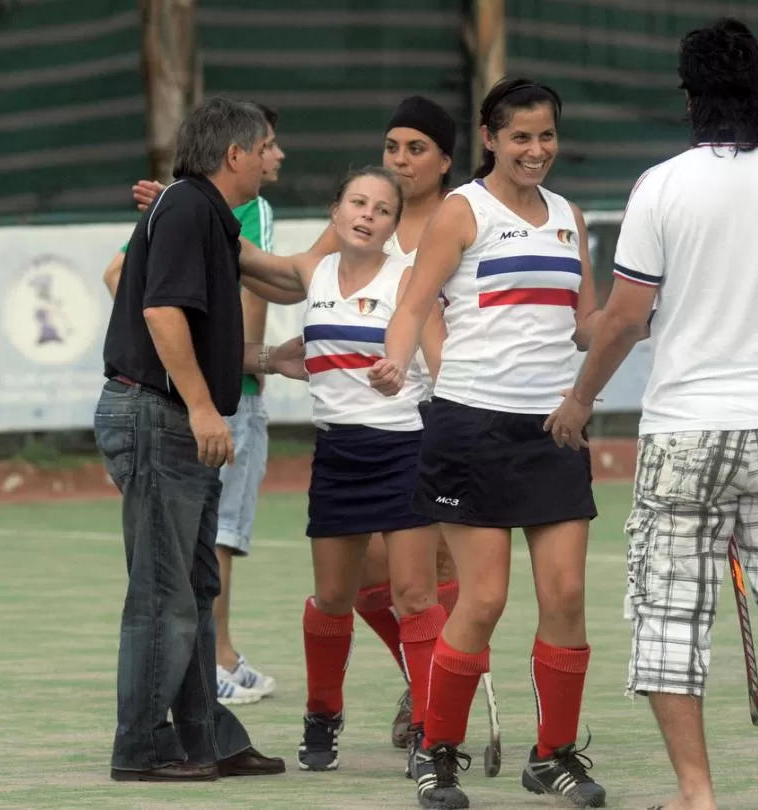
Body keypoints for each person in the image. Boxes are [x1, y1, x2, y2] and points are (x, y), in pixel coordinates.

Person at [545, 18, 758, 810]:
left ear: (690, 97)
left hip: (685, 428)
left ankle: (697, 795)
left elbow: (623, 318)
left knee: (670, 615)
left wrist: (581, 399)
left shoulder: (663, 187)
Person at [372, 77, 607, 809]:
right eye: (521, 137)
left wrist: (648, 312)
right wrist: (392, 357)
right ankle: (437, 751)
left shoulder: (569, 216)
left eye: (547, 136)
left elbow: (584, 324)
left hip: (554, 429)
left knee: (566, 593)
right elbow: (414, 303)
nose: (536, 150)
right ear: (490, 138)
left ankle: (553, 756)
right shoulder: (461, 211)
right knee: (484, 599)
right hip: (470, 425)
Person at [95, 96, 301, 782]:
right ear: (234, 154)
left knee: (194, 583)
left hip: (175, 419)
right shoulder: (188, 207)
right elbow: (159, 309)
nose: (276, 157)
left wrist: (361, 234)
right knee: (164, 592)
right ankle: (143, 746)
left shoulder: (201, 211)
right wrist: (204, 409)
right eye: (266, 146)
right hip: (161, 417)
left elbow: (290, 277)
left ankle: (204, 734)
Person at [237, 165, 448, 774]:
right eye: (358, 203)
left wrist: (400, 365)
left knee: (414, 596)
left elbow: (442, 362)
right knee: (335, 596)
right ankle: (322, 712)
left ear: (392, 225)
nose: (368, 215)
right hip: (338, 456)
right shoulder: (313, 272)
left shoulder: (410, 280)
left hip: (405, 451)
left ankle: (432, 730)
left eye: (383, 210)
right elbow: (246, 253)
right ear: (336, 211)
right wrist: (181, 200)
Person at [307, 95, 462, 749]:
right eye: (392, 147)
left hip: (442, 414)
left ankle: (435, 702)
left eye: (416, 149)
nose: (400, 161)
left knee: (436, 581)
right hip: (360, 428)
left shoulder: (464, 216)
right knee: (373, 576)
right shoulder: (365, 220)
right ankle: (422, 686)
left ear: (446, 160)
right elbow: (303, 282)